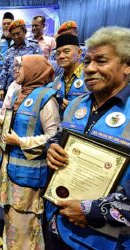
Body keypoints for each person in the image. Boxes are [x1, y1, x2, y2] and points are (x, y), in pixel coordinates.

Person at [45, 26, 130, 250]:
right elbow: (56, 138)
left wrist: (90, 212)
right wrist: (51, 149)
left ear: (127, 65)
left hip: (108, 241)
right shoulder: (75, 105)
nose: (90, 69)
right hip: (60, 227)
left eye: (101, 61)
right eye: (87, 60)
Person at [0, 54, 59, 249]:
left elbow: (55, 138)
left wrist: (21, 142)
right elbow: (11, 123)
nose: (15, 71)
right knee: (12, 219)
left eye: (20, 67)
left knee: (25, 224)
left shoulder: (46, 99)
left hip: (28, 175)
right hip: (11, 169)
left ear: (33, 70)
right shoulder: (19, 93)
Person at [0, 19, 42, 100]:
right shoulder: (9, 50)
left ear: (25, 32)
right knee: (9, 111)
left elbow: (41, 67)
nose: (16, 37)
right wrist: (1, 88)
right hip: (11, 88)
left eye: (18, 33)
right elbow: (5, 69)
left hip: (29, 88)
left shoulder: (34, 47)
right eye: (13, 35)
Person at [46, 34, 87, 115]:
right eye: (58, 53)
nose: (61, 56)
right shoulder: (57, 80)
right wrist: (56, 99)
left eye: (66, 51)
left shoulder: (89, 76)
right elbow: (43, 93)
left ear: (79, 53)